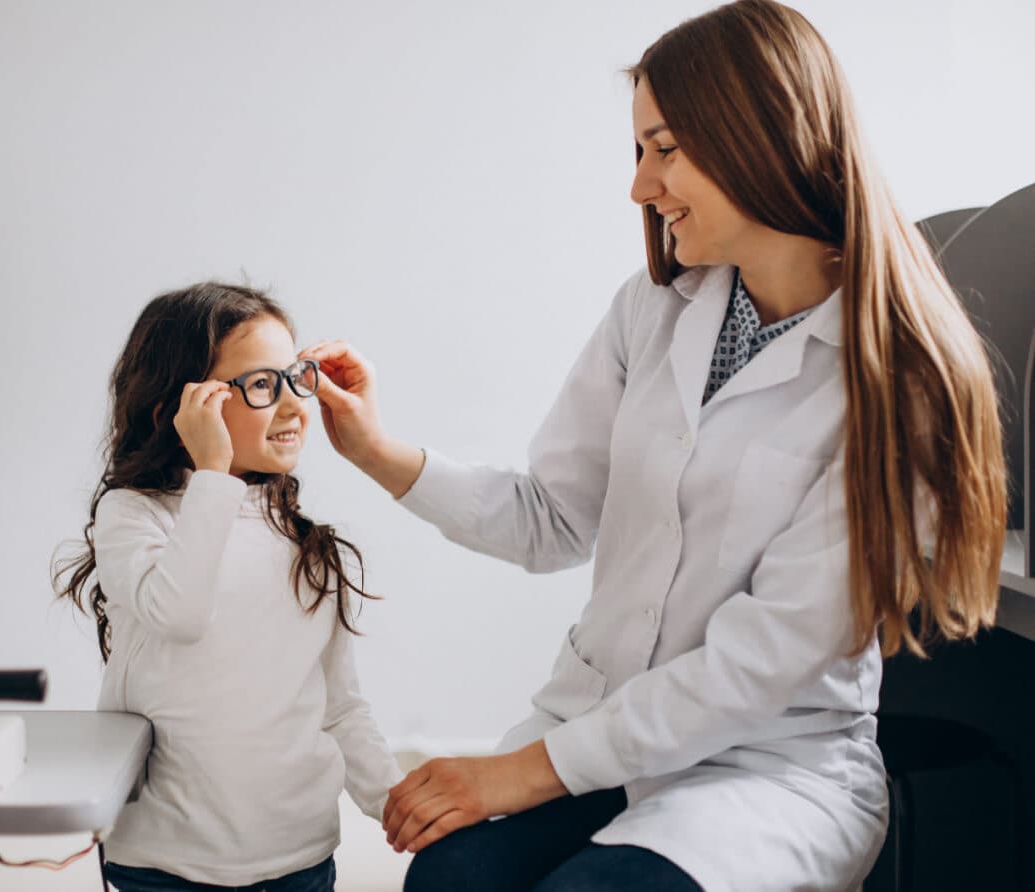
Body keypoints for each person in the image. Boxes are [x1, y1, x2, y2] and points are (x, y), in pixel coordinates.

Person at [300, 1, 1008, 889]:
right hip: (600, 719)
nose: (641, 186)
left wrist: (510, 775)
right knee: (451, 880)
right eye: (641, 151)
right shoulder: (656, 308)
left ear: (763, 134)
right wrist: (373, 449)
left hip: (765, 768)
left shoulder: (897, 379)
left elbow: (750, 670)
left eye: (664, 149)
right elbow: (551, 519)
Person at [53, 282, 400, 892]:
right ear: (179, 409)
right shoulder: (135, 515)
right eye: (262, 385)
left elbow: (340, 705)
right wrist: (212, 472)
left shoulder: (304, 544)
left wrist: (394, 803)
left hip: (298, 856)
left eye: (295, 376)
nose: (293, 404)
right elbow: (180, 613)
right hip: (165, 862)